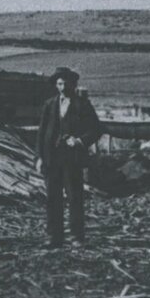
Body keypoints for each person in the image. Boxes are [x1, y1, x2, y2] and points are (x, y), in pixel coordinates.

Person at [38, 66, 100, 248]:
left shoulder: (82, 104)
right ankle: (54, 236)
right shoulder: (49, 105)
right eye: (59, 83)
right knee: (52, 197)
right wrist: (39, 158)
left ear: (72, 84)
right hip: (52, 157)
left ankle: (76, 236)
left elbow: (96, 129)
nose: (62, 87)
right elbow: (41, 134)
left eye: (65, 83)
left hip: (72, 158)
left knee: (74, 196)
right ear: (56, 85)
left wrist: (80, 141)